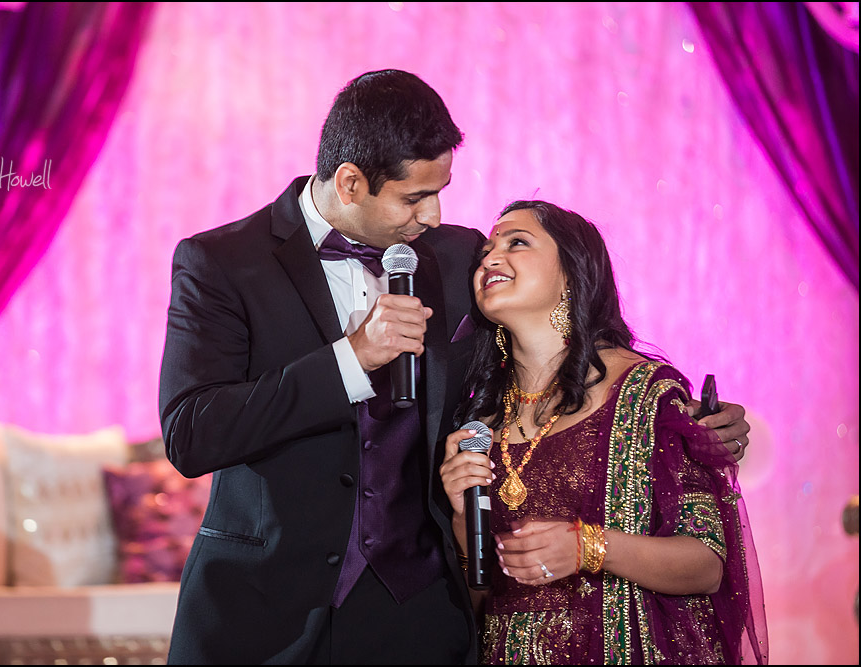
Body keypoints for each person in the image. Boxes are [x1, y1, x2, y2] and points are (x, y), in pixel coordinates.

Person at [158, 69, 753, 664]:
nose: (436, 215)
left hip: (417, 612)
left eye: (441, 191)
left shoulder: (458, 257)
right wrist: (352, 359)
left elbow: (559, 326)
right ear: (350, 182)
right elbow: (191, 433)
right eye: (415, 197)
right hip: (263, 613)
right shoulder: (221, 263)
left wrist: (693, 425)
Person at [439, 200, 767, 664]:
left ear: (572, 271)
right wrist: (460, 517)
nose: (490, 258)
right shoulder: (479, 425)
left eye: (516, 242)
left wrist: (587, 546)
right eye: (487, 251)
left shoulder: (643, 394)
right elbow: (478, 604)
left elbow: (707, 563)